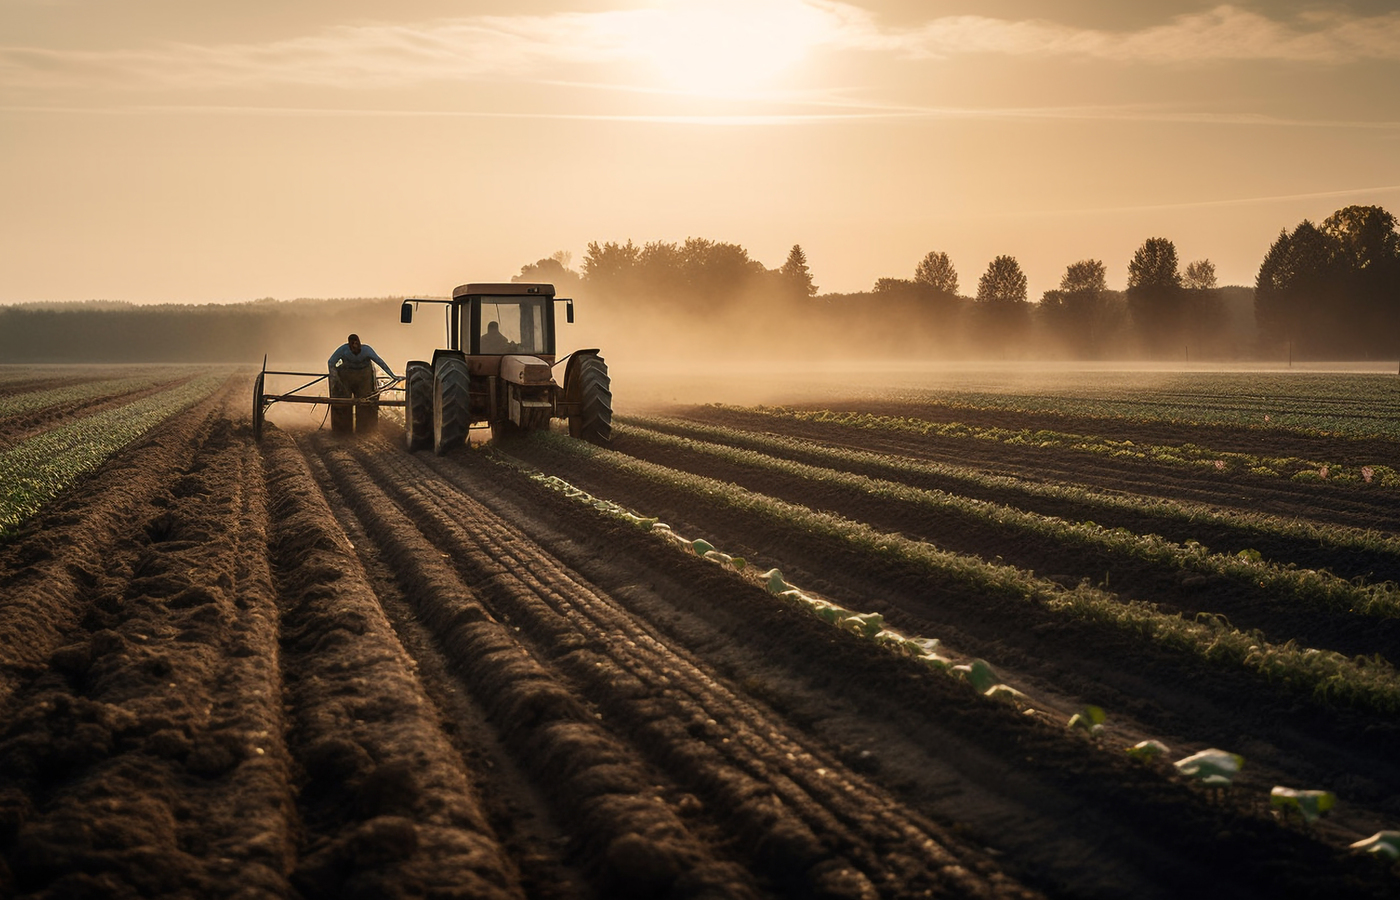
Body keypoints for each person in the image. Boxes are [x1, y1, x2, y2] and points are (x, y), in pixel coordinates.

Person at [327, 334, 397, 434]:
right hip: (347, 376)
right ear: (349, 344)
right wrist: (335, 377)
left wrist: (392, 375)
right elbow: (331, 362)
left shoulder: (367, 350)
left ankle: (366, 429)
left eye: (356, 343)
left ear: (360, 343)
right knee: (342, 401)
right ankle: (342, 429)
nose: (355, 346)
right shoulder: (343, 350)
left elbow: (379, 361)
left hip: (364, 376)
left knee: (366, 401)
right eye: (352, 344)